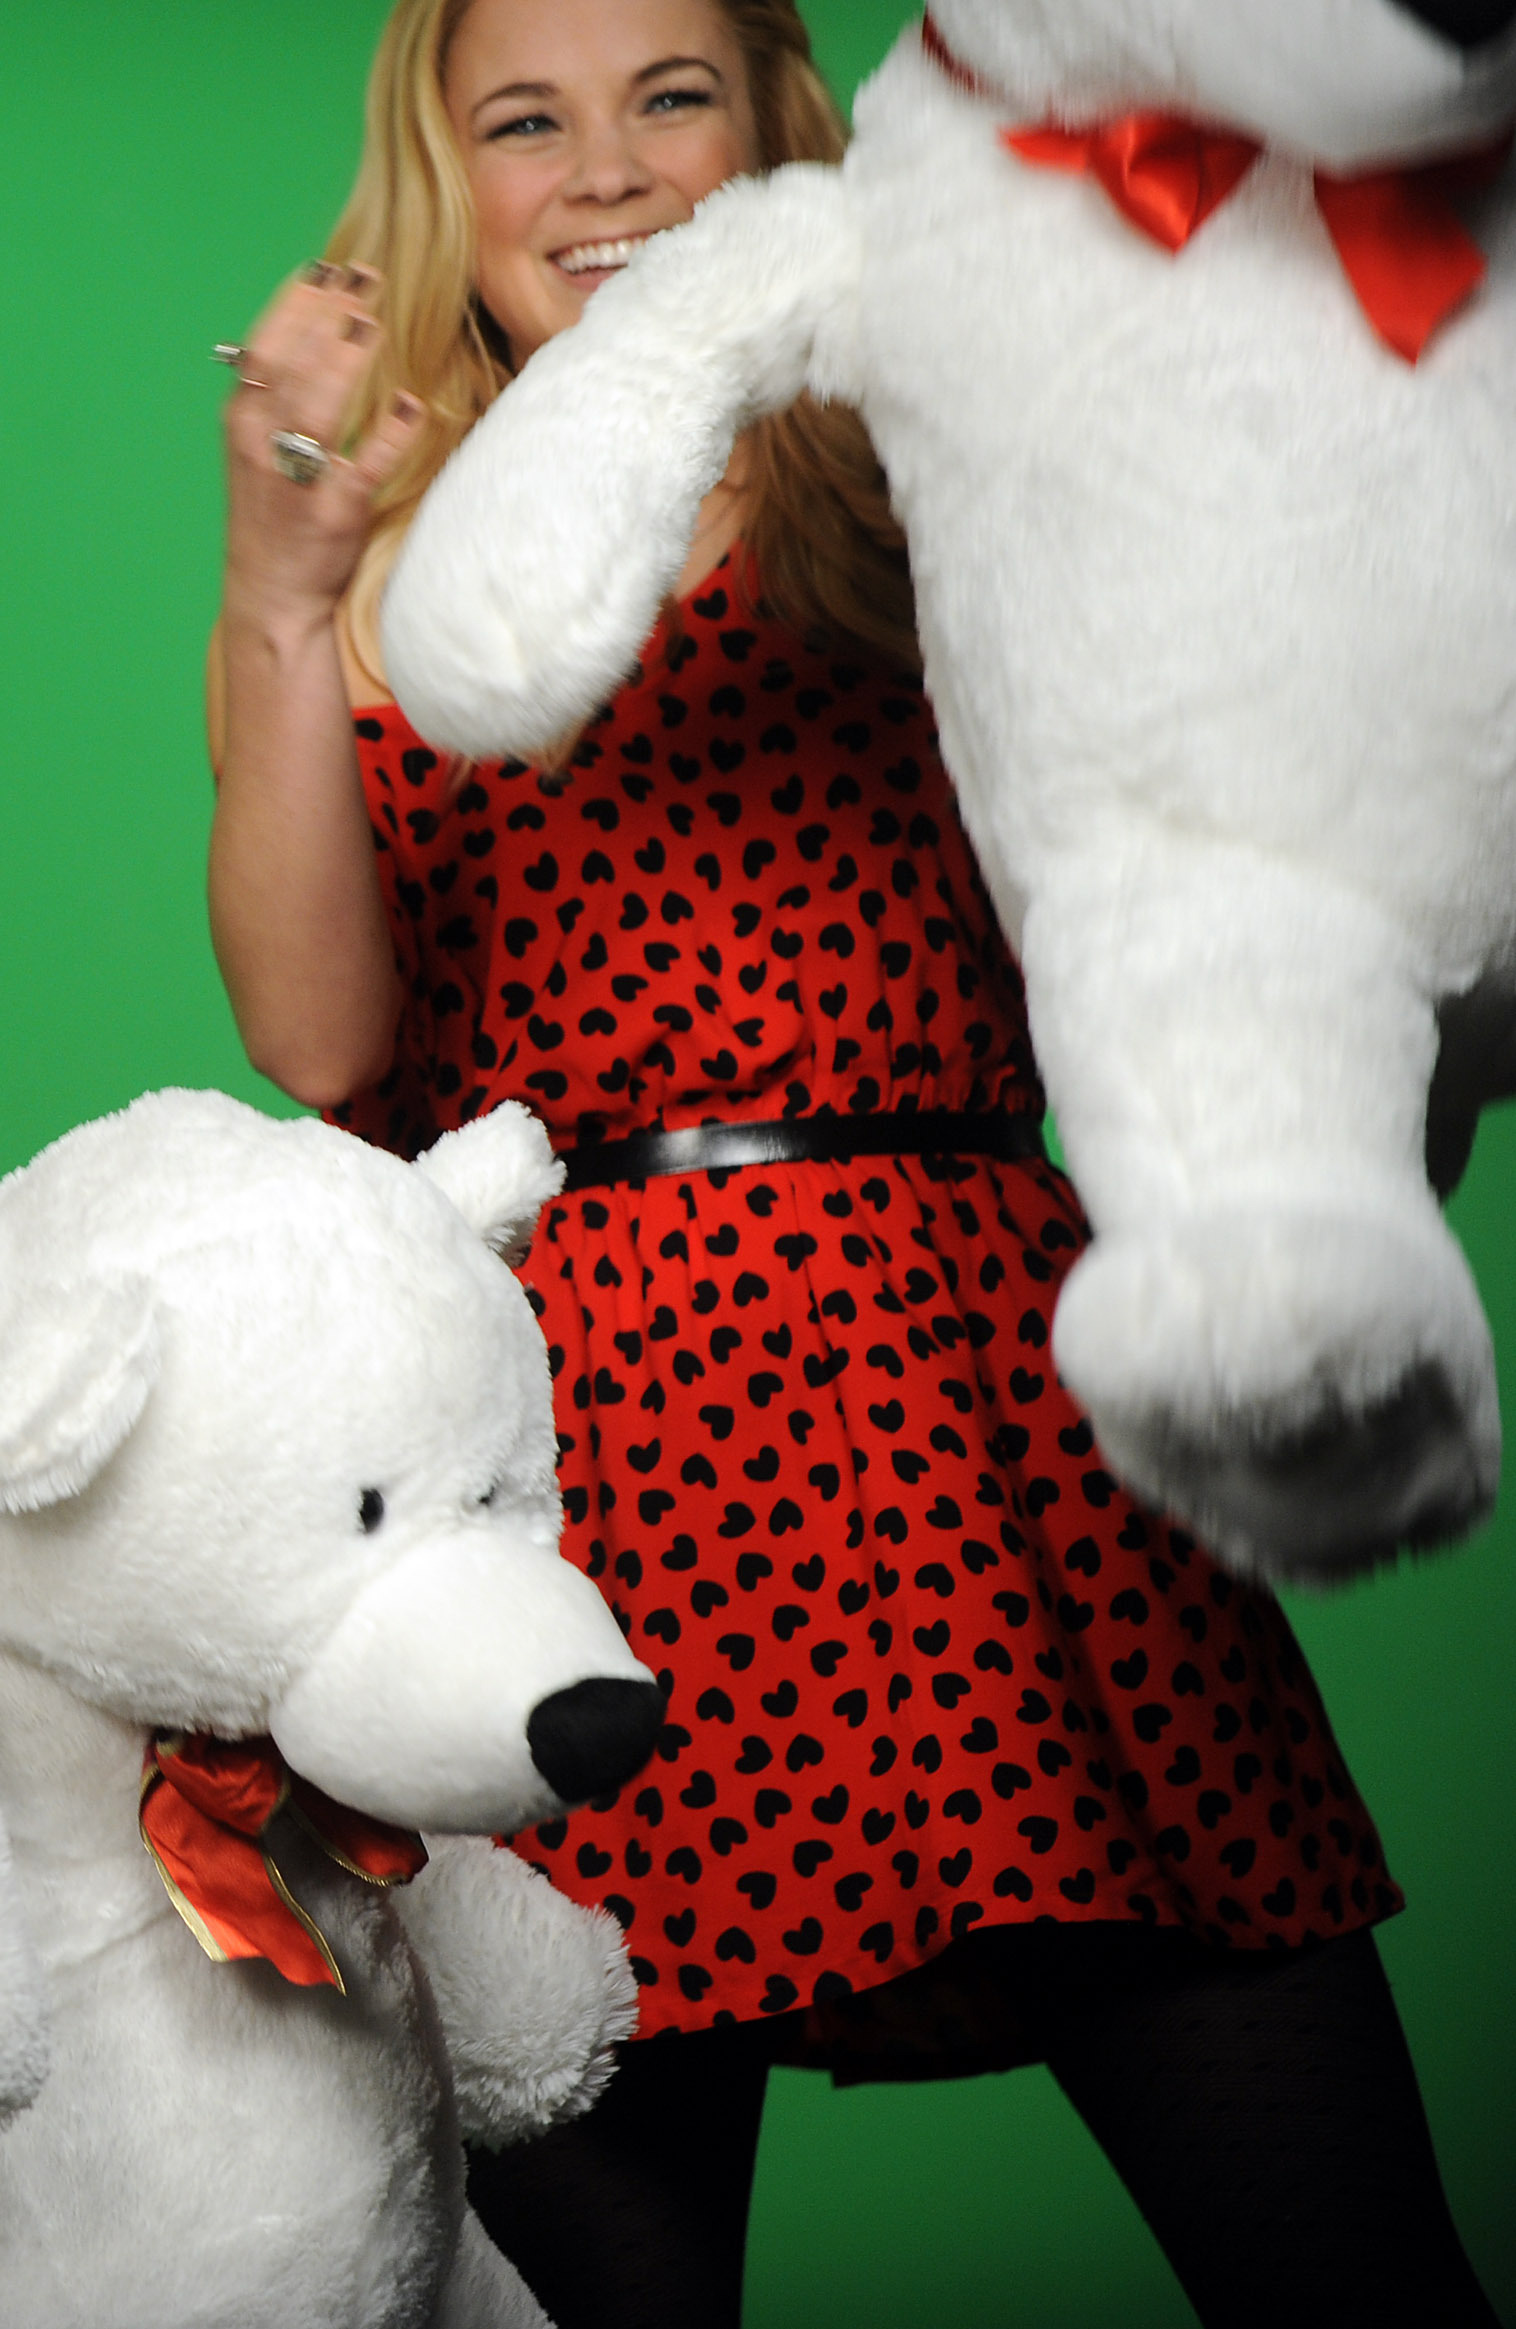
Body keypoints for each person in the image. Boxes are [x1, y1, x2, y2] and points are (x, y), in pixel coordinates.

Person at [203, 3, 1495, 2324]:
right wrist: (280, 595)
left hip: (989, 1415)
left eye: (668, 98)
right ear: (443, 186)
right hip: (585, 1484)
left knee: (1349, 2269)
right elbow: (318, 1041)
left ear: (775, 128)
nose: (605, 170)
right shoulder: (378, 562)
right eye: (526, 121)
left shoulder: (940, 451)